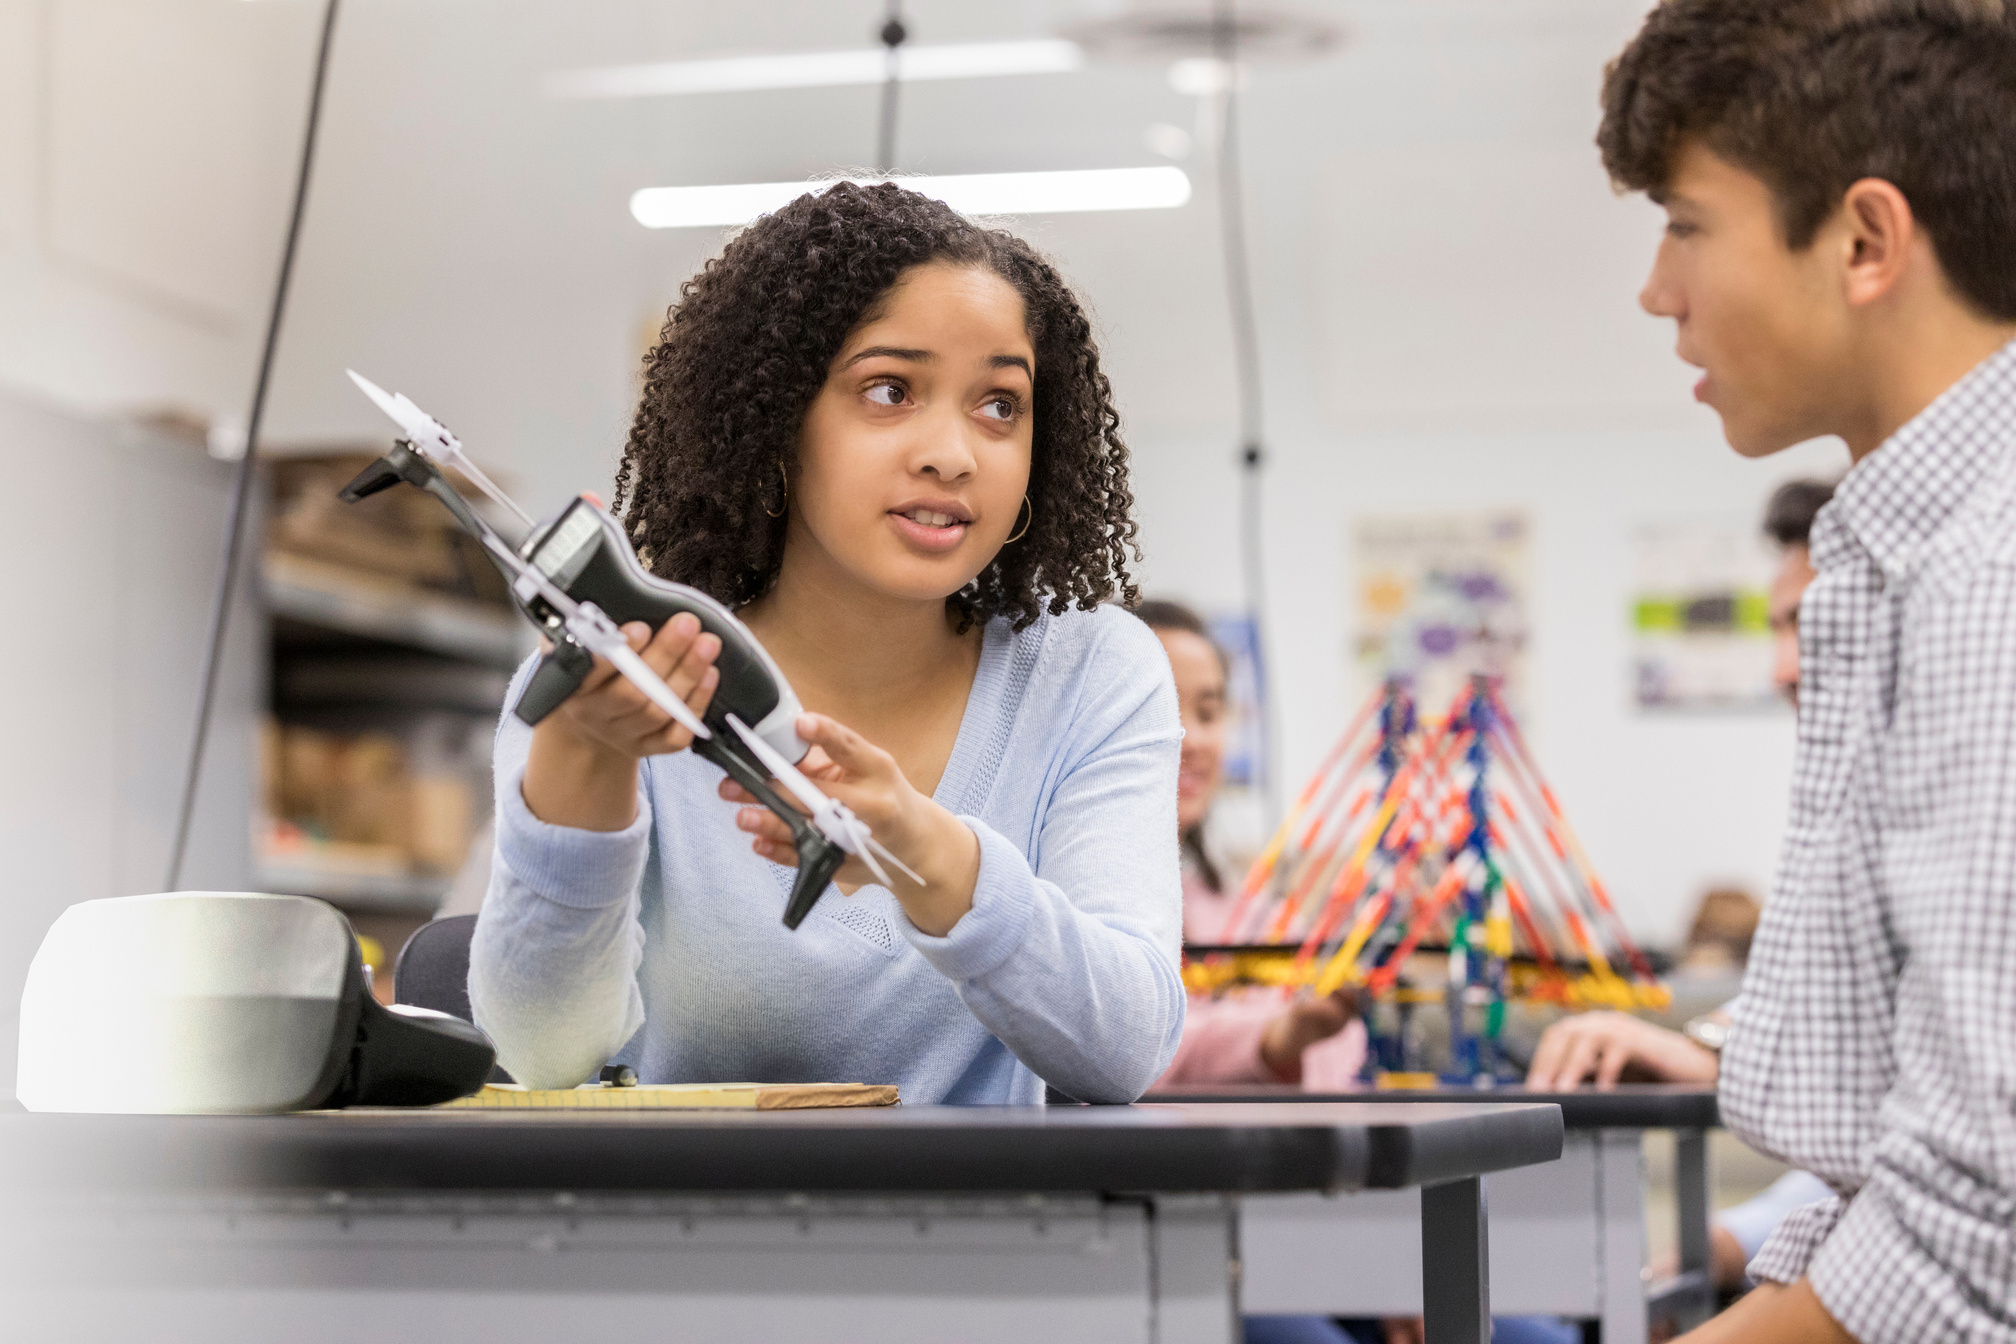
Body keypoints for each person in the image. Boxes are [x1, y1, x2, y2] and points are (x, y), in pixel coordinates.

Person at [468, 182, 1186, 1106]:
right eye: (890, 391)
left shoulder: (1092, 672)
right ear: (776, 423)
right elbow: (542, 1055)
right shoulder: (620, 680)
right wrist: (582, 762)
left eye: (1000, 405)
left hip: (992, 1242)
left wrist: (924, 850)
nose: (953, 453)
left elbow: (1123, 1046)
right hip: (680, 1236)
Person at [1600, 4, 2016, 1341]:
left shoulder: (1987, 580)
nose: (1658, 288)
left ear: (1864, 240)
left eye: (1685, 221)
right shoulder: (1911, 553)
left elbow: (1978, 1233)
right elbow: (1884, 1168)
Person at [1134, 599, 1365, 1089]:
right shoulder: (1063, 910)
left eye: (1209, 712)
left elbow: (1343, 1046)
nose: (1192, 737)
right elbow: (1125, 1048)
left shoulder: (1256, 916)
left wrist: (1294, 1037)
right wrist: (1269, 1039)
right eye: (1161, 706)